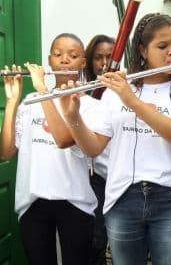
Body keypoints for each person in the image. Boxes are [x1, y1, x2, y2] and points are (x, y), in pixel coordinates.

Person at [59, 13, 171, 265]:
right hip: (122, 198)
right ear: (142, 50)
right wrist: (73, 117)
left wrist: (133, 101)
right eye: (163, 46)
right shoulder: (116, 92)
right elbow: (93, 147)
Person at [0, 33, 98, 265]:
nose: (64, 60)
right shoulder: (30, 102)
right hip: (34, 202)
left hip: (75, 202)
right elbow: (5, 151)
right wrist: (13, 101)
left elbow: (63, 139)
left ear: (83, 62)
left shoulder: (91, 106)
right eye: (58, 54)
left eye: (73, 55)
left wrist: (42, 88)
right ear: (49, 59)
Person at [84, 34, 115, 265]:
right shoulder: (82, 91)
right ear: (89, 61)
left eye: (109, 57)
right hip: (88, 176)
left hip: (114, 176)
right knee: (91, 239)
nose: (104, 63)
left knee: (109, 238)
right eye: (98, 57)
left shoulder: (124, 93)